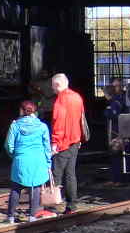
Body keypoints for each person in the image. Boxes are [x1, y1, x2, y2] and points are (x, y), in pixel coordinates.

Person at [5, 100, 54, 222]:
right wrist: (48, 163)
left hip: (21, 160)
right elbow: (47, 147)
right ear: (34, 112)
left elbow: (9, 145)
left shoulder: (15, 126)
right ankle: (32, 216)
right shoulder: (42, 126)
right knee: (35, 187)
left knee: (16, 187)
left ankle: (10, 217)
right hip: (38, 160)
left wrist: (15, 155)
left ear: (21, 111)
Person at [50, 72, 87, 214]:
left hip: (63, 143)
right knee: (71, 174)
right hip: (75, 141)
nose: (52, 89)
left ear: (57, 84)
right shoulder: (77, 97)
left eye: (53, 86)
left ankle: (52, 205)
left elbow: (58, 122)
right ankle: (72, 205)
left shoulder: (61, 100)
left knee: (56, 174)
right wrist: (80, 137)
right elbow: (81, 119)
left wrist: (55, 143)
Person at [104, 77, 130, 183]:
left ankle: (120, 179)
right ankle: (116, 178)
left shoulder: (120, 100)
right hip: (114, 130)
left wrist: (108, 111)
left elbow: (113, 114)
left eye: (118, 86)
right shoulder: (114, 100)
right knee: (115, 155)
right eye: (114, 86)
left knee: (118, 154)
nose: (116, 88)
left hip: (120, 130)